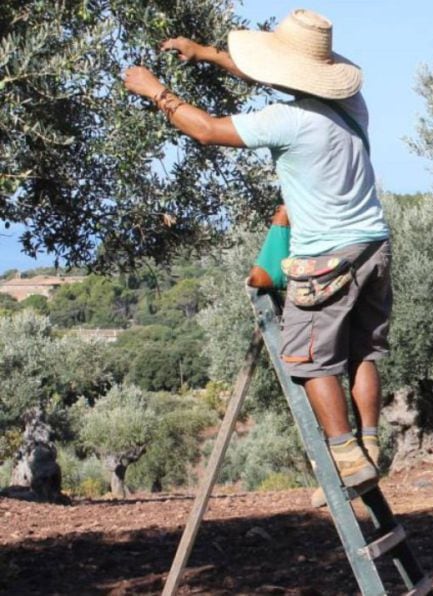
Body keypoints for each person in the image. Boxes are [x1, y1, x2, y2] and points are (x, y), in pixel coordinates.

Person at [123, 9, 390, 504]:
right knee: (363, 354)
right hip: (373, 245)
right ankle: (369, 442)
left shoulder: (284, 120)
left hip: (326, 258)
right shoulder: (353, 103)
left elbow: (204, 128)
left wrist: (154, 89)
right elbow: (265, 74)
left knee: (308, 361)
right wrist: (205, 54)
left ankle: (347, 458)